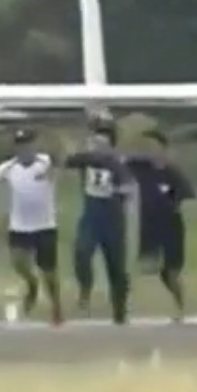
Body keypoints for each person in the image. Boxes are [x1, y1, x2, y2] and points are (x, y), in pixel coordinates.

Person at [0, 128, 63, 326]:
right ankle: (31, 284)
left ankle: (56, 307)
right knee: (19, 263)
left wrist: (54, 164)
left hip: (45, 225)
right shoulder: (10, 167)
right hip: (20, 225)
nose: (25, 149)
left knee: (49, 272)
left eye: (28, 144)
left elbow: (59, 163)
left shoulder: (45, 162)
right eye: (21, 145)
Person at [63, 117, 132, 324]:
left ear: (111, 144)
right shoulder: (87, 158)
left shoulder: (118, 163)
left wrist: (119, 190)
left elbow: (128, 187)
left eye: (104, 143)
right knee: (82, 250)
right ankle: (85, 287)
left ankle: (119, 311)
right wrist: (71, 149)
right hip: (91, 215)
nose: (99, 147)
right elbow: (68, 160)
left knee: (116, 267)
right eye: (96, 142)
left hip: (113, 220)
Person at [124, 128, 196, 322]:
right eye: (146, 147)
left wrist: (175, 203)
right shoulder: (137, 167)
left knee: (171, 273)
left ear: (163, 149)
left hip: (170, 227)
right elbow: (116, 161)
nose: (149, 150)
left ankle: (180, 309)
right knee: (137, 267)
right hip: (145, 226)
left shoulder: (173, 173)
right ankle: (126, 308)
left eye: (154, 147)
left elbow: (188, 197)